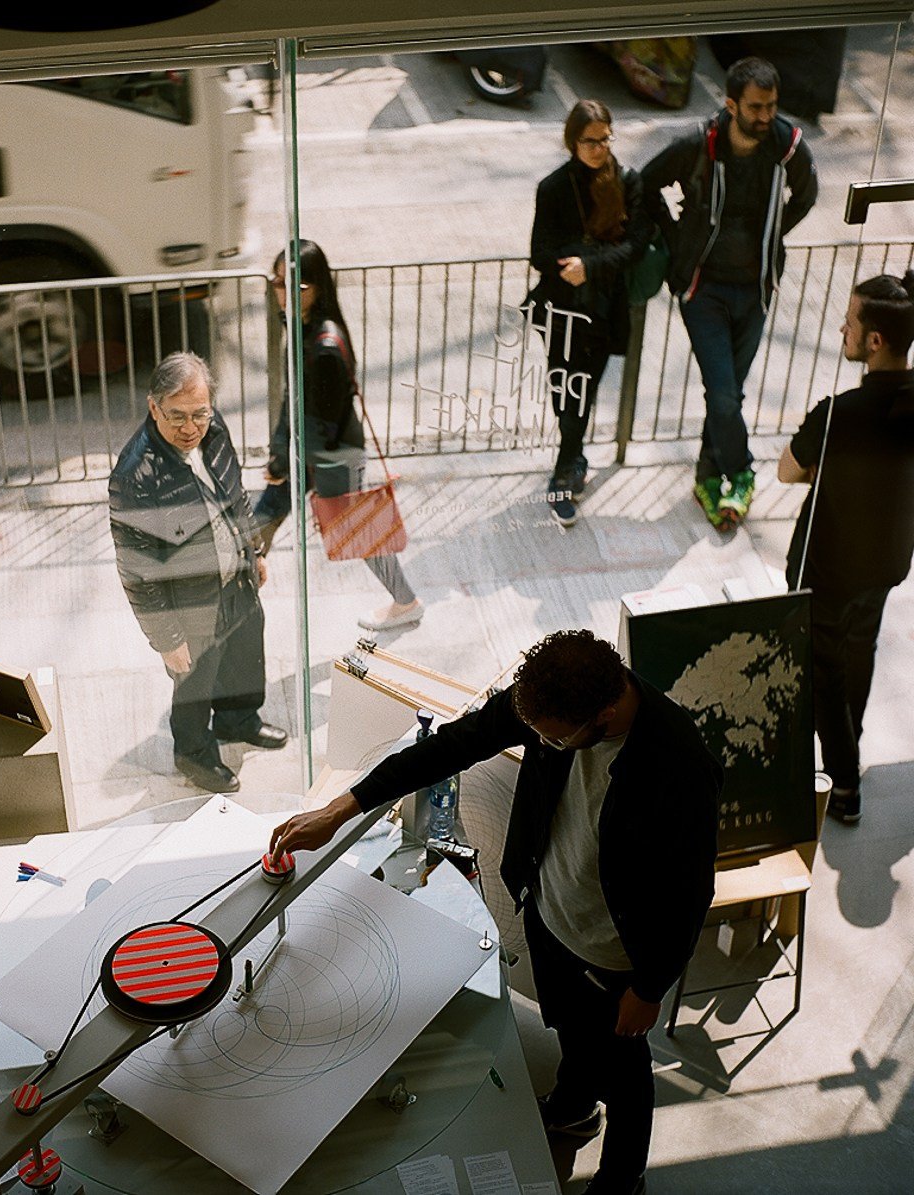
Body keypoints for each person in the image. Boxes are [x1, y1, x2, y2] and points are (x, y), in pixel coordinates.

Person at [271, 630, 721, 1195]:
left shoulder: (679, 767)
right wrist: (343, 808)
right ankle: (573, 1107)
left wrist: (650, 988)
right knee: (571, 1028)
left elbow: (689, 891)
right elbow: (454, 745)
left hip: (617, 953)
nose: (538, 742)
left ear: (603, 715)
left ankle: (622, 1178)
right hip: (552, 912)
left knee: (626, 1072)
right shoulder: (548, 701)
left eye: (551, 740)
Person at [641, 56, 817, 531]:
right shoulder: (700, 146)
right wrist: (677, 235)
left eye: (772, 106)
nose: (766, 117)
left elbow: (807, 195)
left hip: (756, 290)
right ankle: (740, 472)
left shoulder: (786, 147)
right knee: (722, 394)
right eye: (756, 108)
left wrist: (774, 233)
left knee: (728, 396)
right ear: (731, 103)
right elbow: (643, 185)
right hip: (704, 291)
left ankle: (707, 475)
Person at [109, 351, 287, 794]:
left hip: (236, 577)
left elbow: (236, 495)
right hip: (189, 602)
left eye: (199, 414)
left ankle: (237, 720)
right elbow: (136, 571)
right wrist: (166, 639)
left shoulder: (215, 428)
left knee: (245, 655)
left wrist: (255, 551)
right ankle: (193, 753)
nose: (190, 428)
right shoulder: (135, 476)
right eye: (177, 417)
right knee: (195, 681)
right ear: (154, 407)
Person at [779, 273, 914, 825]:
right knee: (860, 654)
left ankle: (843, 783)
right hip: (885, 565)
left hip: (827, 571)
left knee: (822, 676)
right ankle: (848, 751)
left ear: (875, 341)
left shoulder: (837, 412)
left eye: (851, 321)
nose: (842, 328)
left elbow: (789, 470)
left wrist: (827, 470)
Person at [254, 239, 423, 632]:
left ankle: (407, 601)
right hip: (308, 454)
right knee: (262, 520)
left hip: (331, 455)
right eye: (278, 282)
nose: (283, 293)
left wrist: (288, 462)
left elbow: (323, 421)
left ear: (318, 286)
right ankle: (233, 600)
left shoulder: (325, 345)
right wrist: (283, 455)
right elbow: (292, 401)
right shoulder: (300, 326)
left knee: (360, 535)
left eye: (296, 285)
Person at [528, 100, 651, 527]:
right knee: (565, 391)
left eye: (605, 139)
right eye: (590, 141)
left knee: (583, 390)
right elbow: (539, 252)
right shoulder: (554, 187)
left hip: (602, 307)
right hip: (561, 309)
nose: (599, 149)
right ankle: (573, 458)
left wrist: (590, 266)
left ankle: (564, 470)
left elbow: (635, 244)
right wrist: (574, 264)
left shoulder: (627, 181)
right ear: (572, 141)